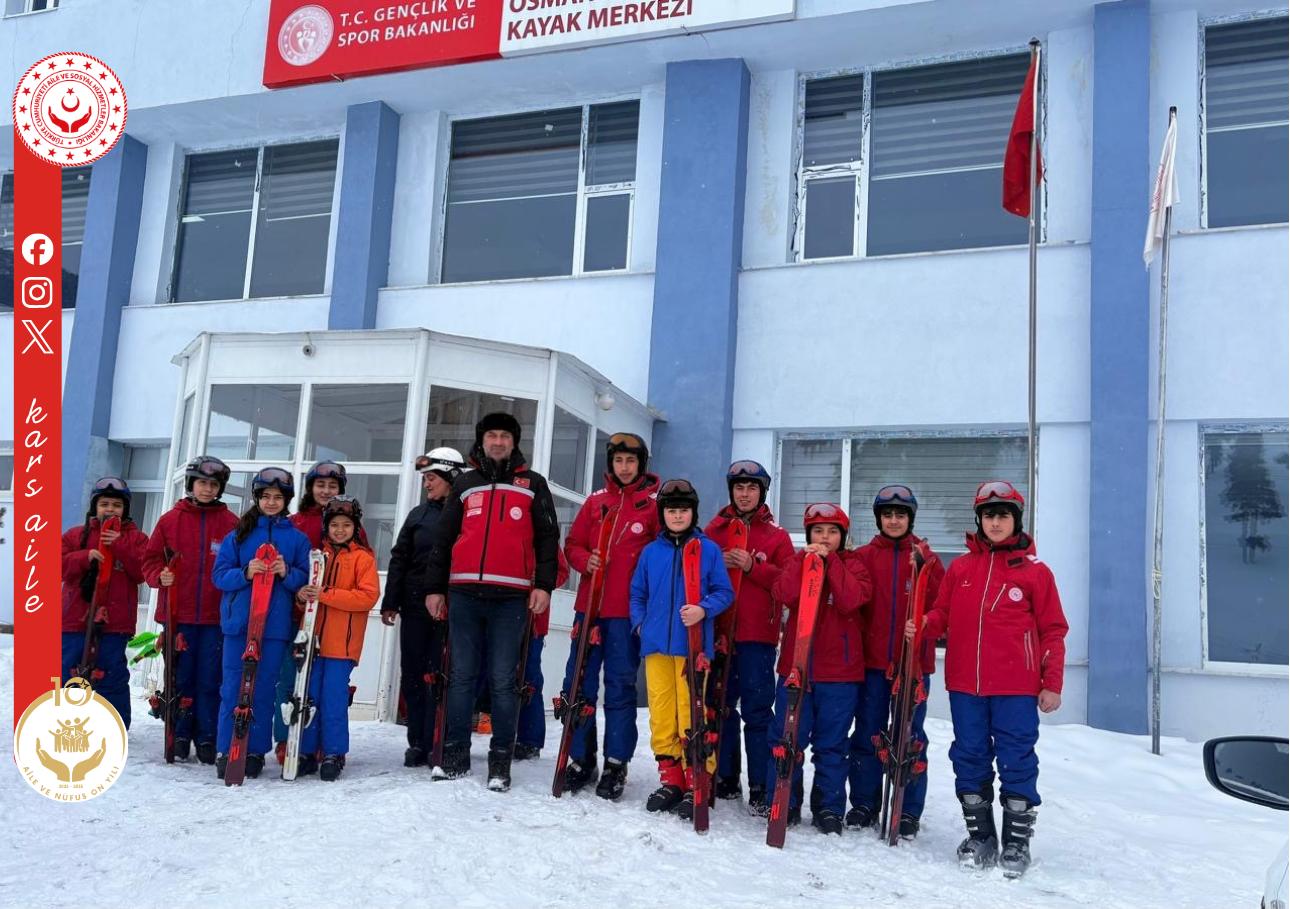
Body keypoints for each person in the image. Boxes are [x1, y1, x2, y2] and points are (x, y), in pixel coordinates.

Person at [912, 480, 1068, 875]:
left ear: (1016, 520)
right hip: (966, 685)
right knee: (969, 756)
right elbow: (943, 614)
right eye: (988, 516)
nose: (995, 523)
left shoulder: (1036, 573)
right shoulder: (962, 568)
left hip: (1016, 687)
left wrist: (1052, 683)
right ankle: (981, 836)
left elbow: (1053, 631)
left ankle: (1016, 843)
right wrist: (926, 623)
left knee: (1017, 758)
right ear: (979, 520)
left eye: (1003, 516)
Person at [424, 412, 561, 792]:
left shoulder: (533, 484)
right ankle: (454, 757)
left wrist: (544, 585)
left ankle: (500, 763)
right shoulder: (465, 483)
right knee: (461, 677)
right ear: (481, 441)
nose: (498, 442)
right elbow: (444, 538)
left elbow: (548, 539)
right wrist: (434, 589)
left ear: (514, 442)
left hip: (511, 597)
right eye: (491, 436)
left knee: (503, 680)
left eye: (504, 436)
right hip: (464, 593)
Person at [558, 432, 659, 799]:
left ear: (641, 464)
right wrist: (585, 560)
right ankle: (581, 759)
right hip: (589, 609)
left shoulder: (653, 507)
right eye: (618, 461)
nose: (624, 467)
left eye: (631, 461)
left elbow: (660, 557)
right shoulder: (596, 501)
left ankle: (616, 762)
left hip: (624, 614)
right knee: (579, 684)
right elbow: (573, 544)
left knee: (619, 686)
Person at [629, 478, 734, 819]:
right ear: (663, 514)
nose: (677, 516)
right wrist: (641, 624)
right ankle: (671, 778)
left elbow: (724, 592)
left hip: (693, 649)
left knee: (692, 712)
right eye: (672, 510)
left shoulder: (708, 550)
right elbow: (637, 593)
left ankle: (696, 779)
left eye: (683, 510)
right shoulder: (651, 552)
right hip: (657, 647)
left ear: (693, 514)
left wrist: (703, 609)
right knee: (661, 712)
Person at [764, 503, 871, 834]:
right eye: (818, 531)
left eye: (832, 532)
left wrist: (832, 563)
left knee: (832, 745)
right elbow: (782, 593)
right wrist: (803, 562)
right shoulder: (798, 561)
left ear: (843, 536)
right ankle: (785, 800)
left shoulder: (855, 565)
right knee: (786, 738)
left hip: (840, 674)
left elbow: (852, 600)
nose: (825, 538)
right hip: (797, 669)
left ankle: (828, 807)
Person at [846, 484, 945, 836]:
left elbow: (942, 609)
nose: (893, 520)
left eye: (900, 515)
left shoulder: (926, 559)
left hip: (913, 664)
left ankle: (907, 810)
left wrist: (925, 626)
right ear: (878, 519)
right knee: (868, 732)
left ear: (910, 518)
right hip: (873, 664)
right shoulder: (863, 556)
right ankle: (864, 802)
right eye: (887, 515)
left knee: (910, 735)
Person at [703, 460, 794, 813]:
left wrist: (753, 566)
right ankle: (726, 777)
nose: (744, 494)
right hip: (720, 633)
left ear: (762, 493)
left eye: (751, 488)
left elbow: (788, 585)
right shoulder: (714, 530)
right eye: (739, 488)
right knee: (721, 707)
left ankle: (760, 784)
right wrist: (717, 563)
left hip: (758, 636)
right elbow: (694, 573)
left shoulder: (776, 536)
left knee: (757, 711)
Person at [211, 467, 311, 780]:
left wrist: (286, 573)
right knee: (232, 687)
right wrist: (245, 572)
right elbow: (219, 576)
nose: (271, 502)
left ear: (286, 501)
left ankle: (254, 750)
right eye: (266, 496)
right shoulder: (238, 535)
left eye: (277, 497)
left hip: (274, 627)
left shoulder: (297, 539)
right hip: (239, 624)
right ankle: (226, 747)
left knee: (264, 689)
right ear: (257, 498)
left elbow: (305, 579)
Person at [141, 456, 239, 763]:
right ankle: (180, 733)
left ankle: (207, 735)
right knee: (180, 678)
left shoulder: (231, 523)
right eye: (202, 483)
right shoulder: (170, 520)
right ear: (191, 485)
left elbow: (237, 565)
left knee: (210, 679)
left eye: (214, 485)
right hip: (178, 615)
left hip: (215, 617)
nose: (208, 489)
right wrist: (160, 576)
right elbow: (150, 559)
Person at [380, 448, 466, 768]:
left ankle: (439, 741)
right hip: (415, 605)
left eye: (432, 478)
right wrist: (391, 601)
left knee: (443, 675)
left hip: (453, 608)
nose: (427, 484)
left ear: (450, 478)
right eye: (425, 479)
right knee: (414, 674)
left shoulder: (466, 513)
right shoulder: (418, 514)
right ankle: (418, 741)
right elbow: (399, 558)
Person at [276, 459, 364, 763]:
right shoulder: (295, 522)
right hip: (296, 613)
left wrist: (328, 596)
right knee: (291, 679)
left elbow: (360, 575)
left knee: (326, 687)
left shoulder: (353, 529)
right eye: (320, 485)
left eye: (332, 486)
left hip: (333, 621)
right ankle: (287, 738)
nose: (326, 491)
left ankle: (324, 743)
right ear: (310, 487)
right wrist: (298, 594)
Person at [294, 495, 380, 781]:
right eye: (334, 525)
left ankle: (333, 752)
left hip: (342, 645)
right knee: (309, 697)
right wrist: (301, 597)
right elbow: (307, 598)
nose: (340, 530)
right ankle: (307, 751)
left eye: (346, 525)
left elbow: (367, 597)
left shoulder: (363, 559)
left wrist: (326, 594)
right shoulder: (318, 556)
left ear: (355, 528)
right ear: (326, 527)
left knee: (333, 699)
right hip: (313, 642)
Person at [60, 476, 149, 728]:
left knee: (111, 674)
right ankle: (64, 723)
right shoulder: (75, 535)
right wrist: (84, 557)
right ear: (94, 507)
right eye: (104, 504)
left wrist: (119, 545)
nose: (110, 509)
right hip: (74, 619)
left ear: (125, 509)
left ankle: (114, 727)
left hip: (116, 622)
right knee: (68, 672)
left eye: (117, 505)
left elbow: (143, 572)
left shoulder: (137, 539)